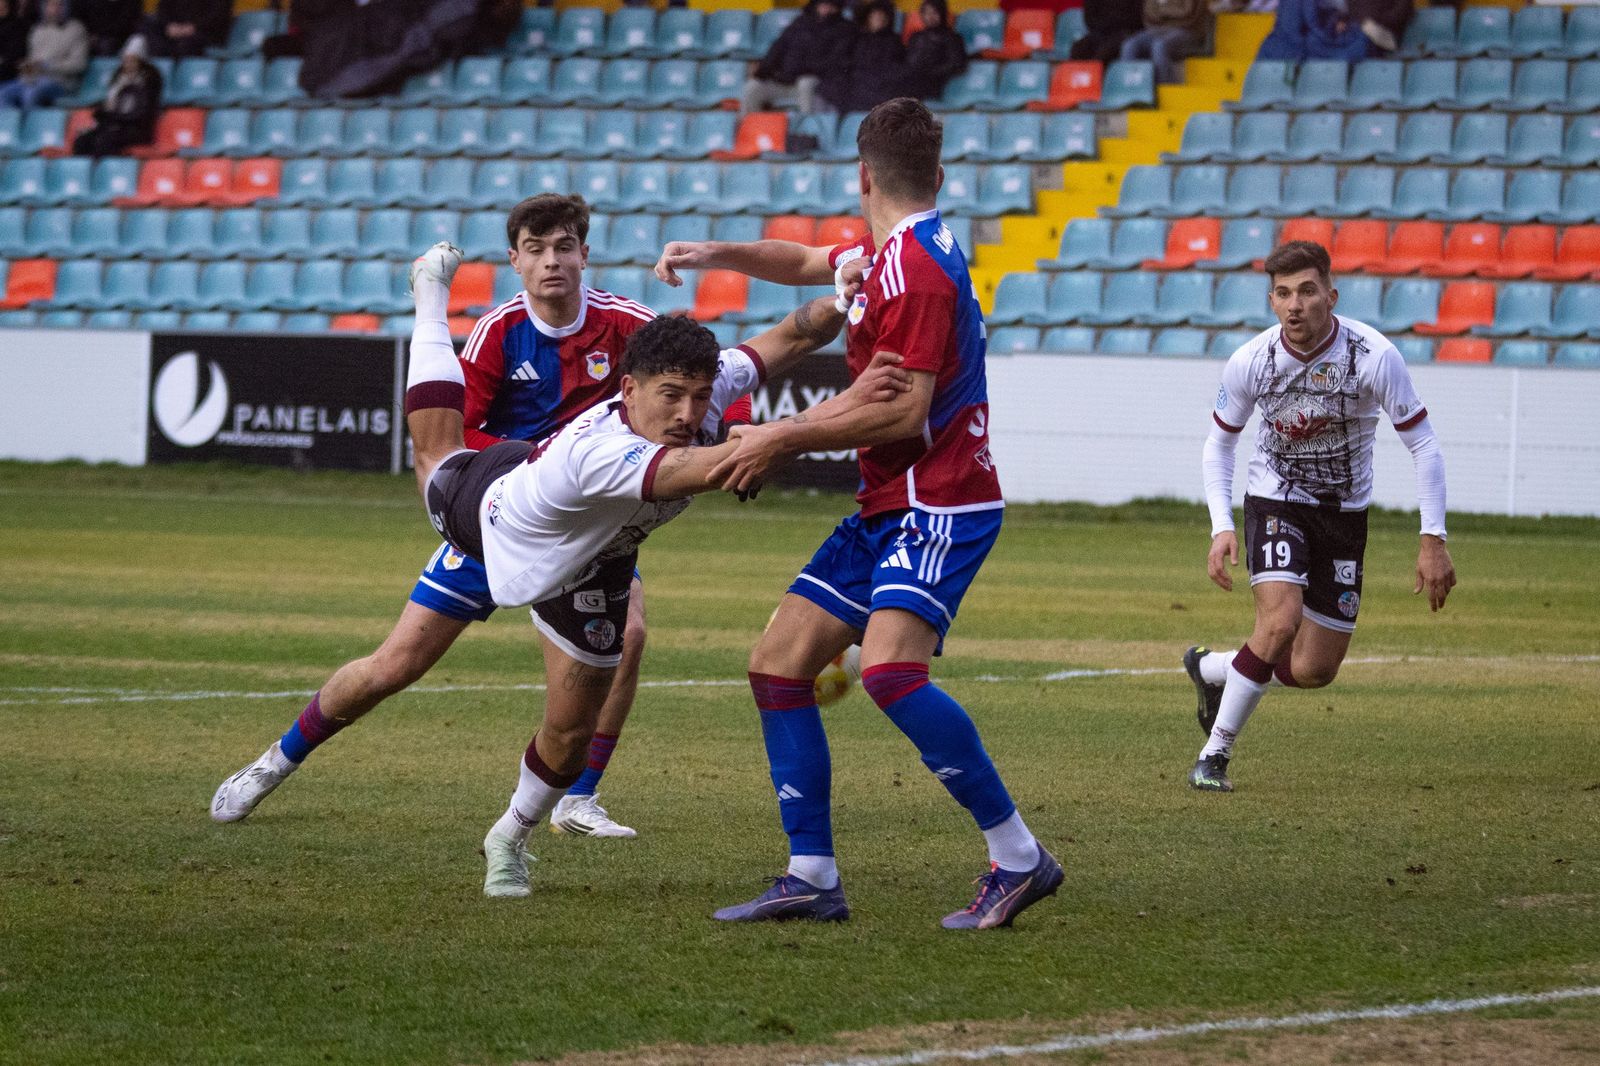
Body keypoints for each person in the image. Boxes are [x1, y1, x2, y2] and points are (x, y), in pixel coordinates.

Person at [654, 97, 1063, 931]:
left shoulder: (913, 269)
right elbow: (808, 260)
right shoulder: (891, 250)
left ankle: (1020, 858)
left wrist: (781, 437)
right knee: (777, 664)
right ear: (936, 176)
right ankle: (810, 875)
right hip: (890, 501)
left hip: (940, 499)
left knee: (888, 673)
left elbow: (903, 413)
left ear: (863, 175)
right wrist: (717, 253)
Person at [402, 242, 908, 897]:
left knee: (570, 733)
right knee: (434, 453)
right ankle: (430, 299)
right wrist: (847, 407)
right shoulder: (604, 455)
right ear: (630, 389)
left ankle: (508, 836)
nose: (689, 415)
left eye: (700, 397)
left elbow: (790, 334)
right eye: (671, 396)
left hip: (596, 563)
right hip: (497, 513)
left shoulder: (698, 393)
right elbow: (715, 469)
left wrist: (843, 297)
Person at [212, 195, 687, 840]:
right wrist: (533, 469)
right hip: (498, 519)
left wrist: (733, 435)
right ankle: (273, 763)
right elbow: (454, 432)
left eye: (565, 247)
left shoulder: (627, 325)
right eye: (537, 250)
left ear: (585, 254)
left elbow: (695, 376)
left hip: (585, 540)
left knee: (626, 640)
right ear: (514, 261)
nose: (553, 262)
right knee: (393, 667)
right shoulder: (499, 331)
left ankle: (579, 799)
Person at [1182, 239, 1456, 792]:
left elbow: (1423, 444)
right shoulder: (1252, 361)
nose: (1295, 304)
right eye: (1283, 294)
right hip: (1276, 500)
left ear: (1331, 295)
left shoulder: (1373, 357)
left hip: (1343, 515)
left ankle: (1215, 670)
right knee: (1279, 622)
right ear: (1272, 301)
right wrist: (1222, 526)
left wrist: (1433, 538)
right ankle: (1214, 755)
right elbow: (1219, 445)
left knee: (1313, 670)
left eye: (1307, 291)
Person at [741, 0, 855, 117]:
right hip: (784, 81)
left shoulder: (844, 29)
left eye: (829, 4)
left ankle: (804, 130)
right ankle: (749, 130)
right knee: (753, 87)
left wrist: (800, 70)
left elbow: (833, 63)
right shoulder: (800, 22)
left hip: (814, 85)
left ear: (836, 7)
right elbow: (778, 48)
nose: (825, 7)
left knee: (805, 83)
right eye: (822, 3)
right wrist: (763, 71)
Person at [72, 33, 160, 156]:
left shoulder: (150, 79)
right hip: (114, 123)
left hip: (135, 127)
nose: (128, 64)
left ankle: (106, 171)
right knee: (82, 140)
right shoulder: (118, 76)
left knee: (105, 141)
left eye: (132, 60)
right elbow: (110, 104)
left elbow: (140, 111)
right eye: (126, 60)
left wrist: (115, 116)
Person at [0, 0, 88, 110]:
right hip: (33, 79)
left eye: (59, 5)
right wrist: (26, 66)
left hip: (61, 82)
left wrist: (47, 65)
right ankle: (12, 126)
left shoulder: (76, 29)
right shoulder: (37, 29)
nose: (55, 9)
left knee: (31, 93)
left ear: (66, 7)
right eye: (51, 5)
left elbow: (79, 64)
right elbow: (33, 59)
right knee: (2, 93)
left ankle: (32, 126)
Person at [820, 0, 904, 115]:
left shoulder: (894, 42)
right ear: (867, 18)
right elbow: (843, 62)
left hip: (877, 84)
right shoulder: (856, 39)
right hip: (854, 82)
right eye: (875, 15)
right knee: (826, 88)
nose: (879, 18)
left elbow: (894, 68)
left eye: (882, 16)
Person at [1121, 0, 1211, 85]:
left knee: (1160, 46)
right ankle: (1131, 89)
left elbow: (1189, 14)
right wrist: (1172, 12)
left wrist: (1162, 11)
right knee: (1129, 45)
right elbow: (1149, 15)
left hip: (1188, 30)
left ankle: (1166, 88)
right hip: (1158, 29)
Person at [897, 0, 968, 102]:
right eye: (926, 13)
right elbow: (907, 62)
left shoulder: (952, 38)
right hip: (912, 79)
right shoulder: (916, 37)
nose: (930, 16)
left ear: (942, 14)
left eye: (934, 12)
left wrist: (929, 72)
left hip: (936, 82)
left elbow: (956, 64)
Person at [140, 0, 229, 59]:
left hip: (206, 33)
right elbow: (163, 9)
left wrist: (194, 27)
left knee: (185, 45)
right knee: (149, 30)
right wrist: (169, 25)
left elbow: (218, 15)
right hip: (175, 32)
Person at [1070, 0, 1144, 63]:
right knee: (1079, 48)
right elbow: (1089, 19)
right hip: (1100, 32)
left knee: (1105, 51)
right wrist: (1106, 25)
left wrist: (1114, 22)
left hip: (1126, 32)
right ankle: (1075, 78)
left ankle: (1097, 75)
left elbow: (1138, 18)